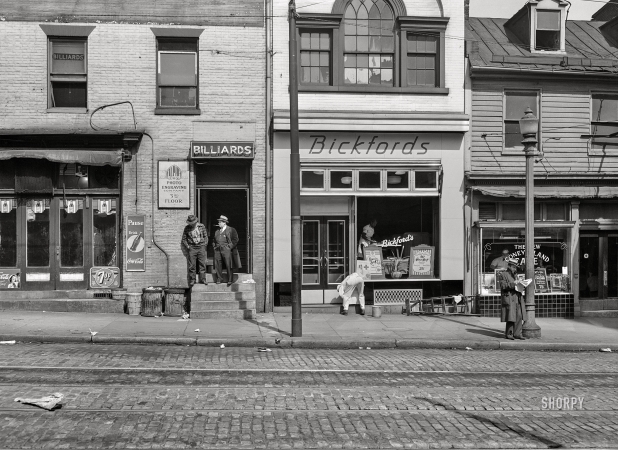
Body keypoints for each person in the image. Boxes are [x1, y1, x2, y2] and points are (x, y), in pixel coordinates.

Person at [497, 260, 527, 340]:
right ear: (509, 266)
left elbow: (518, 285)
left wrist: (522, 284)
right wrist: (514, 284)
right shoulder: (503, 274)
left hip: (517, 297)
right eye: (513, 267)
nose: (515, 269)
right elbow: (503, 286)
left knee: (519, 316)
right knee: (511, 316)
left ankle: (517, 333)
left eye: (515, 267)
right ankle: (509, 334)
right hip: (510, 298)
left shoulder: (516, 275)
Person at [181, 214, 208, 288]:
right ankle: (193, 279)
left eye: (193, 223)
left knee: (202, 264)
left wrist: (204, 244)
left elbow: (205, 236)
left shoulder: (201, 226)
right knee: (192, 265)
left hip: (201, 247)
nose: (192, 224)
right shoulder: (187, 228)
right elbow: (184, 239)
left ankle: (203, 279)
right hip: (192, 248)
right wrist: (188, 246)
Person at [213, 215, 240, 286]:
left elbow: (235, 239)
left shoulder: (231, 229)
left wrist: (229, 247)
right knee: (217, 264)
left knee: (228, 264)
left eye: (220, 222)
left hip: (226, 249)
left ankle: (230, 279)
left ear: (224, 223)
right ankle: (219, 278)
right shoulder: (217, 231)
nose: (218, 223)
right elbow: (214, 240)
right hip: (217, 249)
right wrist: (214, 246)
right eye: (218, 222)